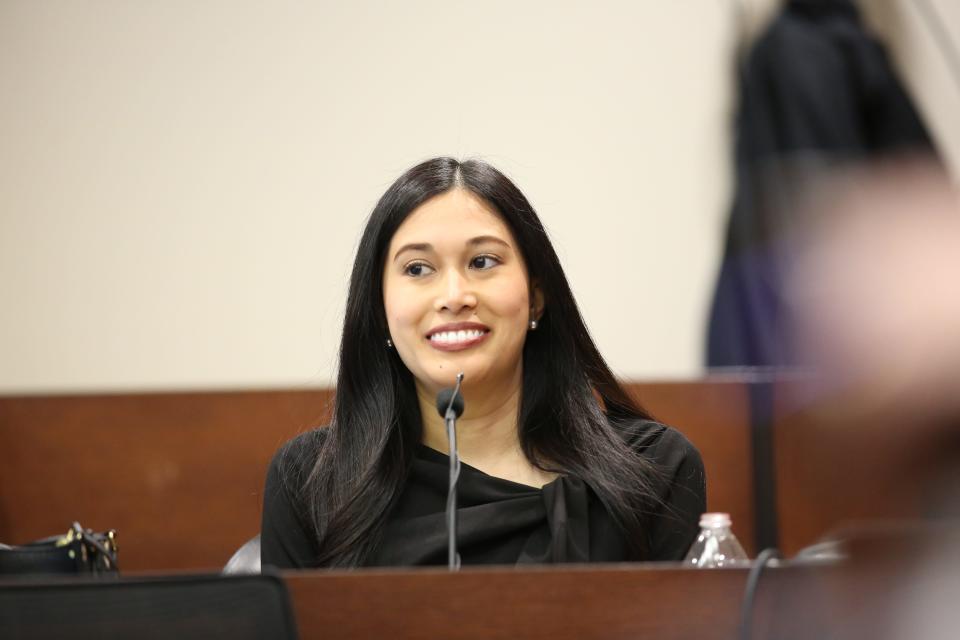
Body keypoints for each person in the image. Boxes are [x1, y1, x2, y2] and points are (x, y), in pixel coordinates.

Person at [261, 157, 705, 568]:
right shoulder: (313, 482)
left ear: (535, 296)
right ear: (378, 308)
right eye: (417, 269)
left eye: (482, 261)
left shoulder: (653, 470)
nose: (454, 296)